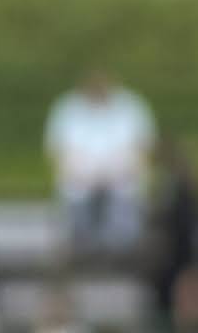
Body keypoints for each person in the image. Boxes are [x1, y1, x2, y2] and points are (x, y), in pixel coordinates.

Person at [43, 67, 154, 261]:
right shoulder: (67, 108)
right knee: (74, 190)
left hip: (121, 174)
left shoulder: (131, 106)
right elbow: (56, 151)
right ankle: (80, 244)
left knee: (125, 191)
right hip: (81, 176)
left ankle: (122, 248)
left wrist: (120, 170)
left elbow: (143, 149)